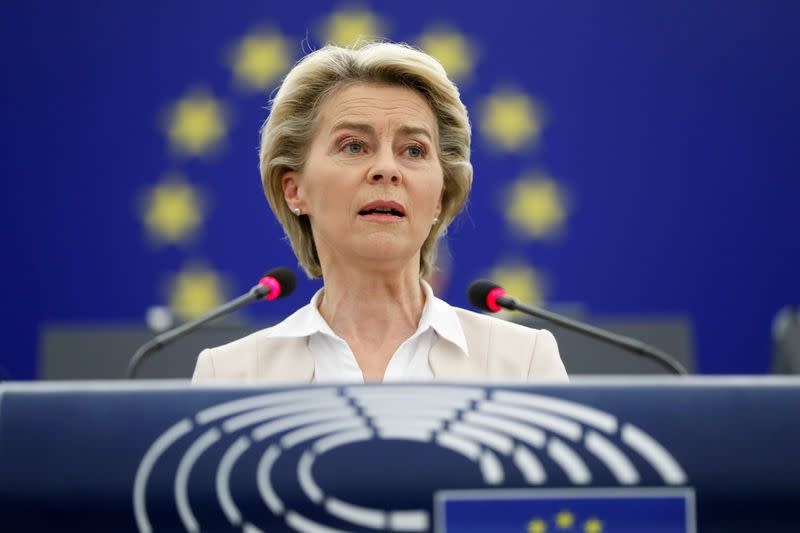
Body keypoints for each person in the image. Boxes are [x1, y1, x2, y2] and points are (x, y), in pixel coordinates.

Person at [192, 42, 567, 383]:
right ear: (295, 189)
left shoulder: (523, 363)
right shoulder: (229, 375)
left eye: (414, 151)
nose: (387, 169)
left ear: (439, 195)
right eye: (354, 146)